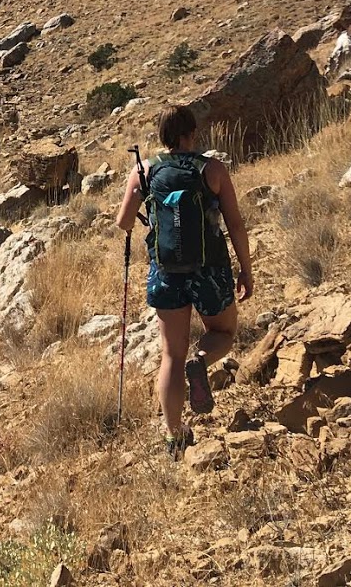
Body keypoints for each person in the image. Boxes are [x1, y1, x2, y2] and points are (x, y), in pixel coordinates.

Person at [115, 104, 254, 457]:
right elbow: (235, 224)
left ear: (163, 136)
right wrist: (246, 269)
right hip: (210, 269)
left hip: (166, 272)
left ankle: (174, 436)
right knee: (223, 334)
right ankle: (202, 362)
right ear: (191, 133)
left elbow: (123, 223)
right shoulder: (213, 169)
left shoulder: (144, 170)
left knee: (170, 355)